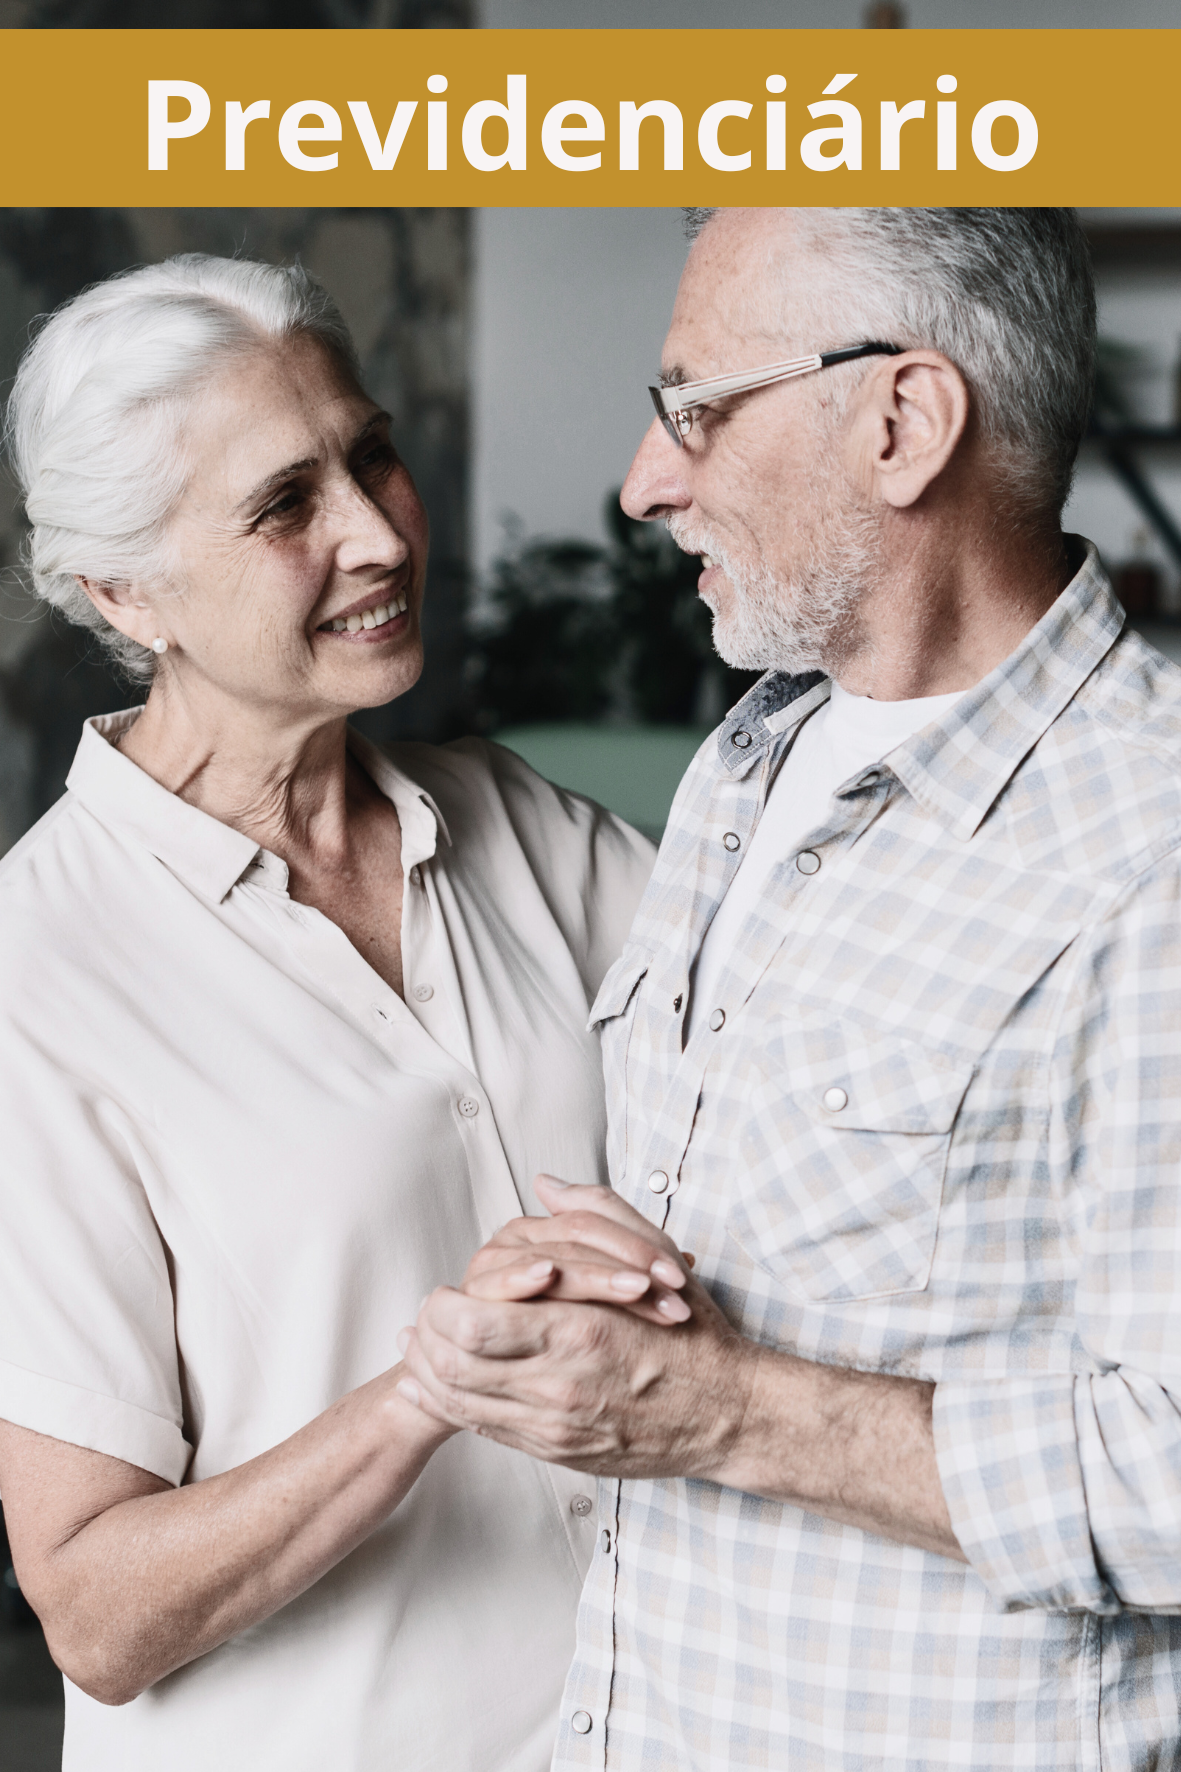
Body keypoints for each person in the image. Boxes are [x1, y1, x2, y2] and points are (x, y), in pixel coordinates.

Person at [398, 207, 1181, 1770]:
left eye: (696, 405)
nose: (645, 480)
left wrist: (723, 1412)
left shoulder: (1151, 846)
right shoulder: (751, 763)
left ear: (902, 423)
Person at [0, 254, 670, 1772]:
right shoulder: (35, 977)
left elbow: (807, 1044)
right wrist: (428, 1388)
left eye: (370, 453)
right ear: (122, 590)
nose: (376, 532)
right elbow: (97, 1611)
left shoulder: (515, 823)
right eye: (284, 504)